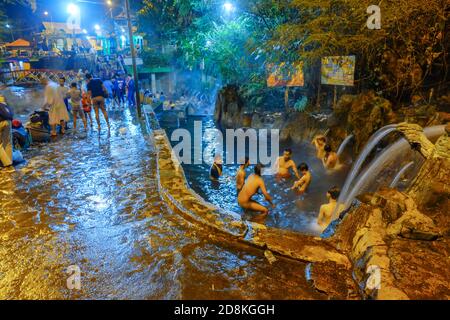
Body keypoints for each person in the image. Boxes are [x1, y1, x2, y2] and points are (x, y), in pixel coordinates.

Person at [0, 95, 13, 167]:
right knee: (8, 143)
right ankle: (10, 161)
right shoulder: (4, 103)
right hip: (8, 121)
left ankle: (7, 163)